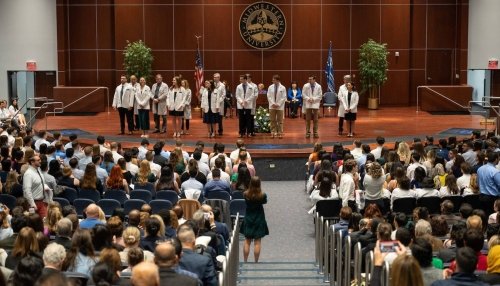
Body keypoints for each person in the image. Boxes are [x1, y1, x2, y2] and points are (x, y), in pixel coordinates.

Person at [242, 176, 269, 263]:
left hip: (249, 217)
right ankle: (256, 261)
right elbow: (264, 201)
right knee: (257, 242)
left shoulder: (245, 194)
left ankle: (245, 261)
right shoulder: (263, 195)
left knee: (247, 241)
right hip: (259, 218)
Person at [477, 151, 500, 215]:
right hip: (492, 198)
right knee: (493, 217)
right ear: (496, 159)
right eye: (498, 158)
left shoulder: (480, 169)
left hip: (481, 196)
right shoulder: (495, 171)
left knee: (484, 216)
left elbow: (478, 182)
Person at [266, 74, 287, 139]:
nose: (272, 81)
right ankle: (273, 132)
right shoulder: (270, 87)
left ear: (277, 80)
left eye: (274, 80)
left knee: (280, 120)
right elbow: (268, 96)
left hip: (280, 106)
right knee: (272, 120)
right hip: (272, 106)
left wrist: (278, 104)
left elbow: (284, 97)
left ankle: (280, 133)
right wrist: (273, 103)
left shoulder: (283, 87)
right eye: (272, 80)